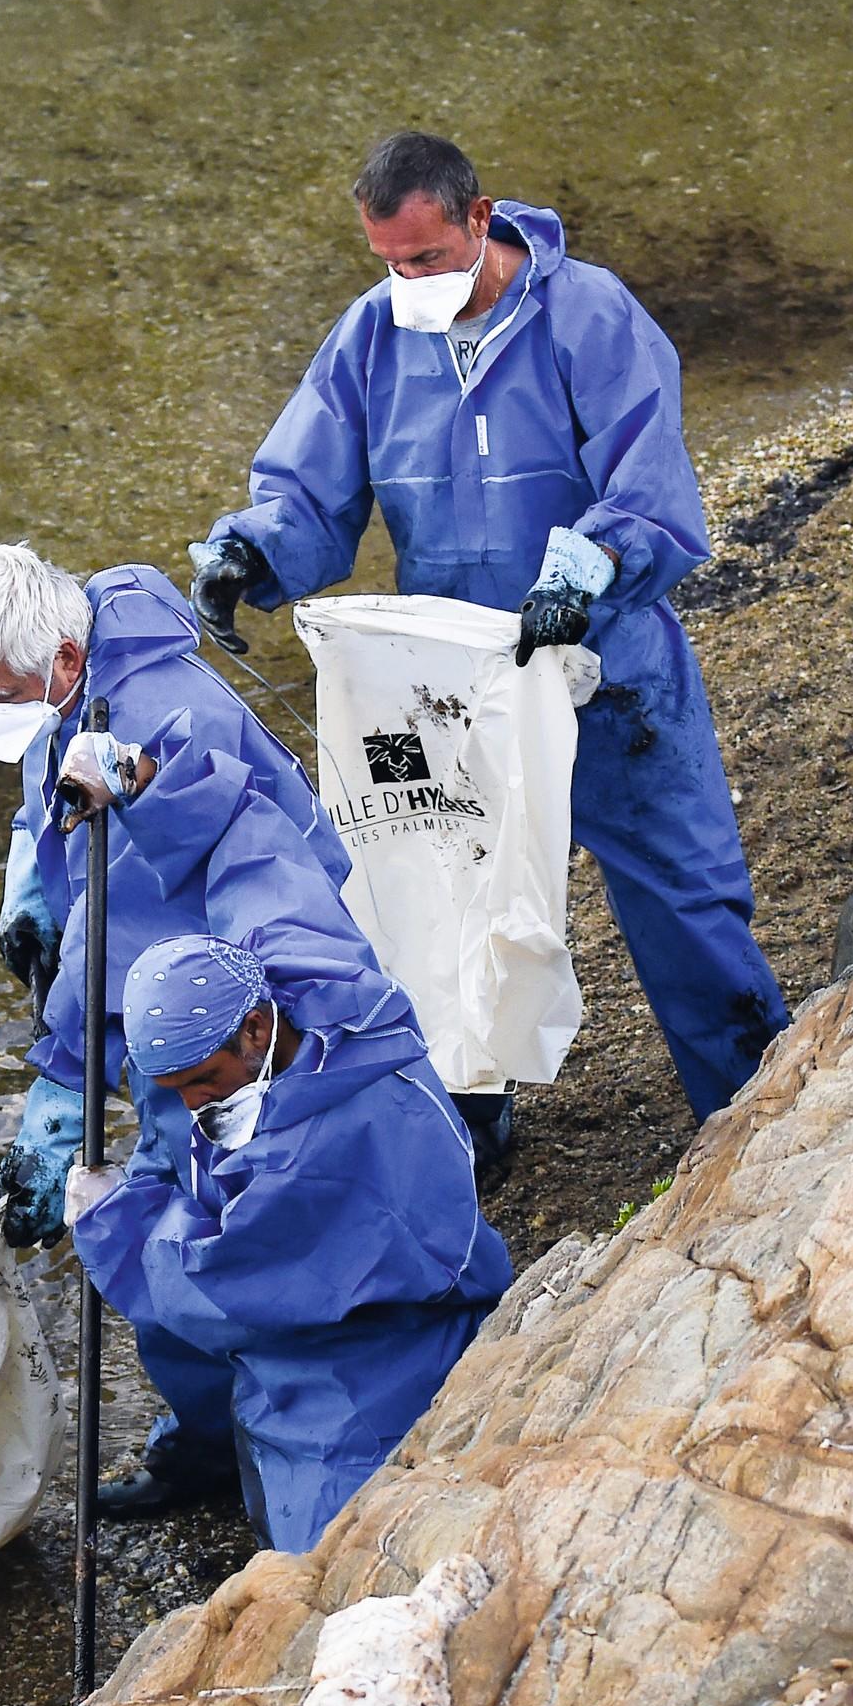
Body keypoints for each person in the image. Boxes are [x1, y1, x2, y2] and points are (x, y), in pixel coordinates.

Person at [189, 129, 789, 1133]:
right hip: (438, 682)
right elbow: (309, 485)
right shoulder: (374, 336)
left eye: (423, 258)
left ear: (480, 218)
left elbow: (650, 486)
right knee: (439, 912)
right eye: (387, 262)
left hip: (604, 669)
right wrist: (249, 553)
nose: (406, 281)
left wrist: (583, 571)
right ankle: (467, 1124)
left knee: (686, 900)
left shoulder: (589, 316)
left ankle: (755, 1101)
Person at [0, 540, 350, 1226]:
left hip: (232, 957)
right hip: (161, 934)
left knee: (216, 1158)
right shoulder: (78, 676)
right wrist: (30, 867)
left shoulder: (153, 718)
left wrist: (66, 1085)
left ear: (64, 655)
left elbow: (125, 925)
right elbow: (50, 774)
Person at [72, 933, 512, 1553]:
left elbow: (213, 1283)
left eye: (202, 1080)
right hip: (377, 1321)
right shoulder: (338, 1023)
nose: (193, 1105)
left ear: (254, 1029)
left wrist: (112, 1221)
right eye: (174, 1090)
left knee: (340, 1556)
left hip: (369, 1365)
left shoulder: (310, 1156)